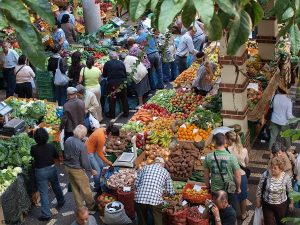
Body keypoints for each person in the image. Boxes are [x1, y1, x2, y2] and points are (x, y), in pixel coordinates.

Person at [31, 128, 65, 221]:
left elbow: (33, 156)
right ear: (46, 136)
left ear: (35, 138)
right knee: (56, 185)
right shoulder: (51, 146)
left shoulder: (33, 148)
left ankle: (46, 214)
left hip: (40, 172)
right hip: (51, 169)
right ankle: (61, 200)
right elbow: (57, 157)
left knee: (43, 193)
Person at [204, 133, 241, 211]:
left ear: (214, 142)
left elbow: (206, 175)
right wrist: (238, 188)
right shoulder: (232, 157)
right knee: (231, 212)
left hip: (215, 191)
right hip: (229, 190)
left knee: (217, 211)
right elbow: (237, 176)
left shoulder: (208, 157)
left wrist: (207, 187)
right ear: (225, 142)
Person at [64, 125, 97, 210]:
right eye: (84, 134)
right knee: (85, 188)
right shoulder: (81, 145)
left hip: (67, 167)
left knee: (75, 189)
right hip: (76, 169)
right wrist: (91, 170)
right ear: (82, 135)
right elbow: (85, 162)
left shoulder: (68, 140)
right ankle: (91, 205)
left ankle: (80, 207)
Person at [135, 157, 175, 225]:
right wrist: (168, 195)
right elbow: (171, 191)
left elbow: (136, 184)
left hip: (139, 199)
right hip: (155, 201)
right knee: (157, 220)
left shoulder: (145, 168)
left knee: (142, 220)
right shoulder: (165, 172)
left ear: (154, 162)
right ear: (163, 164)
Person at [256, 156, 294, 225]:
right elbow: (259, 187)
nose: (272, 169)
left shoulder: (286, 177)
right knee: (269, 223)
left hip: (281, 205)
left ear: (281, 170)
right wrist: (258, 199)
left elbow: (290, 190)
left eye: (275, 168)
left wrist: (291, 202)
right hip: (267, 204)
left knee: (281, 223)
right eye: (272, 167)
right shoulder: (265, 174)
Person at [226, 131, 249, 220]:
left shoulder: (227, 150)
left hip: (231, 176)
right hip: (242, 176)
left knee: (232, 196)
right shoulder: (244, 150)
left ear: (229, 140)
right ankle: (243, 214)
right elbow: (246, 163)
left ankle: (232, 216)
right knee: (243, 196)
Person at [102, 51, 129, 119]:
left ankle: (112, 115)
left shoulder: (107, 64)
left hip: (112, 84)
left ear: (110, 57)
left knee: (112, 99)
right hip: (123, 82)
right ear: (116, 57)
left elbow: (104, 75)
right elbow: (124, 72)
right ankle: (126, 113)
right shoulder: (121, 63)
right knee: (124, 98)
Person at [85, 128, 112, 193]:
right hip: (88, 152)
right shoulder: (101, 138)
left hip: (94, 149)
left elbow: (99, 147)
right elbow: (100, 154)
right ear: (110, 133)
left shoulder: (103, 130)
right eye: (113, 137)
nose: (112, 138)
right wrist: (108, 162)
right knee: (97, 171)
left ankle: (99, 182)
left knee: (101, 165)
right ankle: (97, 187)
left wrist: (102, 149)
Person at [127, 37, 151, 106]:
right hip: (146, 65)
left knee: (140, 85)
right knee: (145, 82)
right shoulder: (139, 46)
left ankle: (141, 102)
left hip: (140, 67)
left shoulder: (131, 50)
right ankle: (146, 96)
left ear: (129, 44)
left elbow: (132, 60)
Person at [79, 56, 102, 121]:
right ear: (93, 63)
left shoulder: (83, 69)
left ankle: (91, 120)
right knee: (97, 103)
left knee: (89, 105)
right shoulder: (97, 70)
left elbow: (80, 81)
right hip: (97, 89)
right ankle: (99, 118)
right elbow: (100, 80)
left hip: (88, 90)